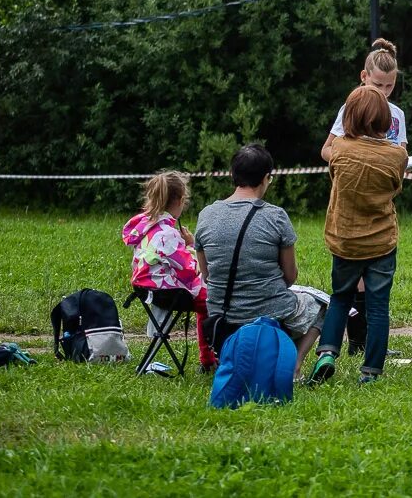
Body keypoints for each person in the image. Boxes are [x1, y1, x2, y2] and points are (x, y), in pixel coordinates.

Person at [319, 38, 412, 355]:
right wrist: (356, 161)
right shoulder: (351, 108)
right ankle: (360, 348)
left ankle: (355, 346)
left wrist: (400, 162)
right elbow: (328, 150)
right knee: (354, 286)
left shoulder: (396, 115)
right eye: (378, 85)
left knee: (362, 287)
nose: (383, 92)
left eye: (389, 86)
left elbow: (399, 158)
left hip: (378, 201)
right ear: (364, 78)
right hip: (350, 200)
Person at [195, 145, 326, 381]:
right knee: (323, 305)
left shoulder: (206, 215)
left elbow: (206, 275)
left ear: (233, 176)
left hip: (222, 319)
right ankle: (294, 365)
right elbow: (290, 276)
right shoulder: (275, 216)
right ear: (266, 178)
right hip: (268, 315)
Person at [309, 85, 406, 385]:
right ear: (384, 120)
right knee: (378, 306)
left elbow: (335, 175)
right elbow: (394, 188)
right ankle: (371, 371)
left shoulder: (339, 150)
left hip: (345, 238)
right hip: (381, 241)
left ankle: (327, 353)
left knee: (340, 297)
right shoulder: (397, 156)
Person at [122, 171, 215, 372]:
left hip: (147, 290)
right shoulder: (168, 234)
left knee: (206, 300)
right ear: (180, 200)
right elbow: (190, 271)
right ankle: (209, 360)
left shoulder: (147, 228)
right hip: (169, 293)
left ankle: (208, 360)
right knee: (214, 300)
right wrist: (192, 246)